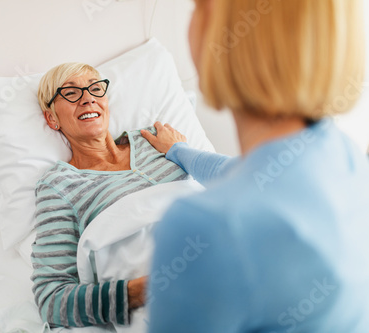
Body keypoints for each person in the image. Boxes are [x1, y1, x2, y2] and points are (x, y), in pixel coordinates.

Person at [143, 0, 369, 332]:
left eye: (198, 6)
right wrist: (179, 150)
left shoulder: (204, 227)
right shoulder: (343, 153)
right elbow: (245, 175)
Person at [31, 62, 188, 328]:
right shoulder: (59, 185)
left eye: (94, 89)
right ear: (52, 119)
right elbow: (52, 299)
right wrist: (151, 286)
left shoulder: (156, 140)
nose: (88, 98)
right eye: (71, 93)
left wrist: (183, 151)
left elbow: (213, 191)